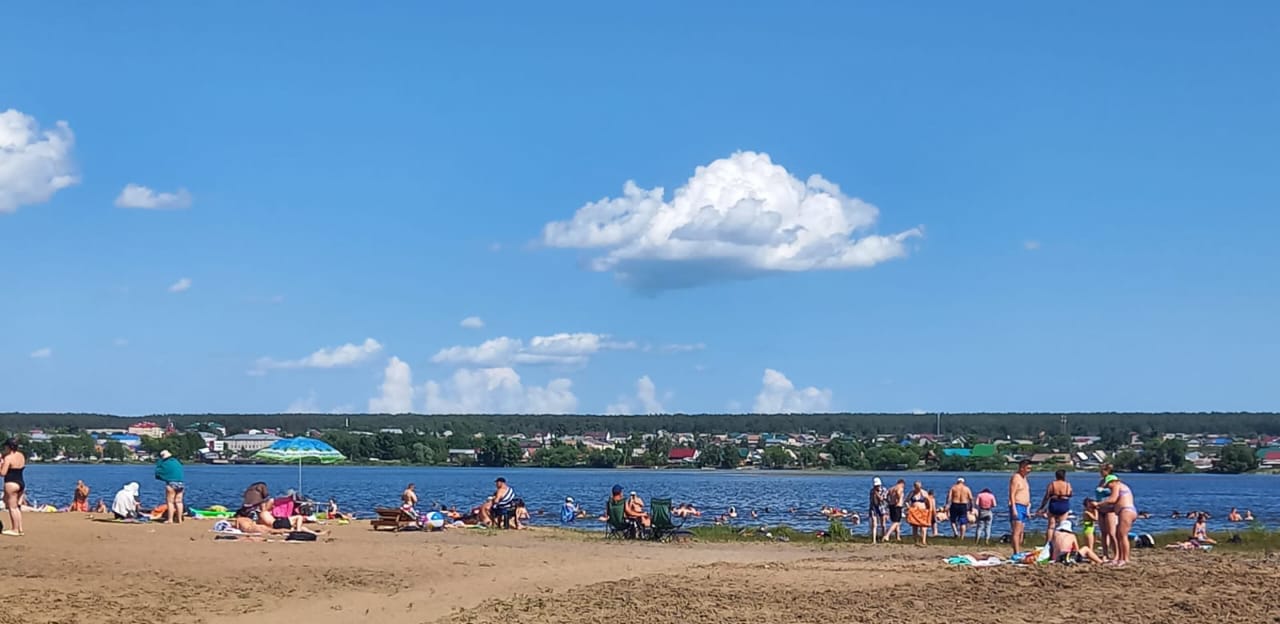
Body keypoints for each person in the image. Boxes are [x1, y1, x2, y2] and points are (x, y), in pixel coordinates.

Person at [1097, 473, 1137, 566]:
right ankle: (1119, 557)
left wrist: (1099, 503)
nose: (1109, 488)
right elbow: (1115, 505)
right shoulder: (1122, 487)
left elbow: (1112, 499)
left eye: (1108, 485)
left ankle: (1125, 559)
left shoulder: (1117, 485)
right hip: (1124, 511)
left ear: (1112, 482)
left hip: (1126, 511)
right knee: (1119, 535)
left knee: (1122, 536)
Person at [0, 438, 27, 536]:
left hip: (11, 483)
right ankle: (19, 528)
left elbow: (2, 473)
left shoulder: (8, 458)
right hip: (21, 482)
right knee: (17, 507)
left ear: (8, 447)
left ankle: (14, 529)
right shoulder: (21, 455)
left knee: (12, 507)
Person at [1037, 469, 1073, 538]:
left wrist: (1041, 507)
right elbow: (1070, 494)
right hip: (1063, 504)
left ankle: (1049, 543)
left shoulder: (1052, 484)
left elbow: (1047, 496)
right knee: (1062, 525)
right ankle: (1060, 542)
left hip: (1054, 504)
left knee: (1051, 526)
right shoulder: (1068, 485)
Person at [154, 449, 186, 524]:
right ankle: (179, 519)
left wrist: (160, 461)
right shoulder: (176, 462)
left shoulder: (164, 463)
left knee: (170, 502)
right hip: (180, 483)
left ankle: (170, 519)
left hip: (171, 483)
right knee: (179, 502)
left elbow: (158, 472)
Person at [1008, 459, 1032, 554]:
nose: (1029, 470)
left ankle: (1018, 550)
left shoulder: (1024, 478)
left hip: (1024, 507)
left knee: (1021, 532)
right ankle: (1016, 553)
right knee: (1016, 531)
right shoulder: (1016, 478)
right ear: (1022, 468)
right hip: (1017, 505)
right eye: (1028, 468)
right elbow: (1012, 494)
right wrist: (1014, 508)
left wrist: (1028, 508)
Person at [905, 481, 932, 546]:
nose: (918, 488)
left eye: (919, 487)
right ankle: (916, 541)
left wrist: (929, 510)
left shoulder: (924, 493)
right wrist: (908, 507)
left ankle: (923, 541)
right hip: (914, 511)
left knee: (923, 526)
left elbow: (929, 501)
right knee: (914, 527)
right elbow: (906, 501)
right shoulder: (912, 493)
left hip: (922, 511)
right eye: (916, 487)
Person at [868, 477, 888, 544]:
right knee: (874, 524)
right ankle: (874, 540)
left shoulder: (884, 490)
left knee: (883, 524)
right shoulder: (872, 491)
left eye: (878, 485)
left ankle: (883, 537)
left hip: (882, 507)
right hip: (874, 507)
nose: (877, 487)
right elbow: (872, 501)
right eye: (875, 486)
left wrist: (877, 493)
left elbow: (882, 499)